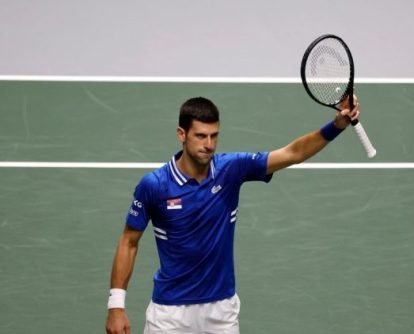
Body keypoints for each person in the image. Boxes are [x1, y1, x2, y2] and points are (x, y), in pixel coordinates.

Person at [105, 95, 360, 334]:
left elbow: (292, 153)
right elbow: (129, 242)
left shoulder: (231, 169)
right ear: (181, 134)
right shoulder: (154, 185)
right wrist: (116, 306)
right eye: (201, 136)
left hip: (221, 311)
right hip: (170, 313)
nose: (209, 145)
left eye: (214, 136)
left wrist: (336, 126)